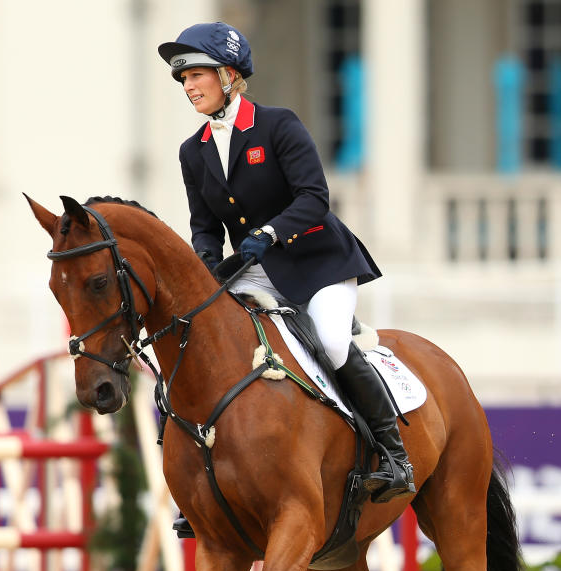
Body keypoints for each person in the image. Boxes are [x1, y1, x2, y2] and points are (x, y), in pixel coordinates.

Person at [157, 21, 415, 510]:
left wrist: (269, 233)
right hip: (252, 268)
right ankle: (201, 490)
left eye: (196, 74)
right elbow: (205, 225)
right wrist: (207, 262)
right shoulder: (193, 151)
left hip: (317, 263)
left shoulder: (278, 125)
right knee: (197, 344)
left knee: (332, 341)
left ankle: (392, 454)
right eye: (183, 78)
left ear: (229, 75)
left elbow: (314, 197)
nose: (188, 85)